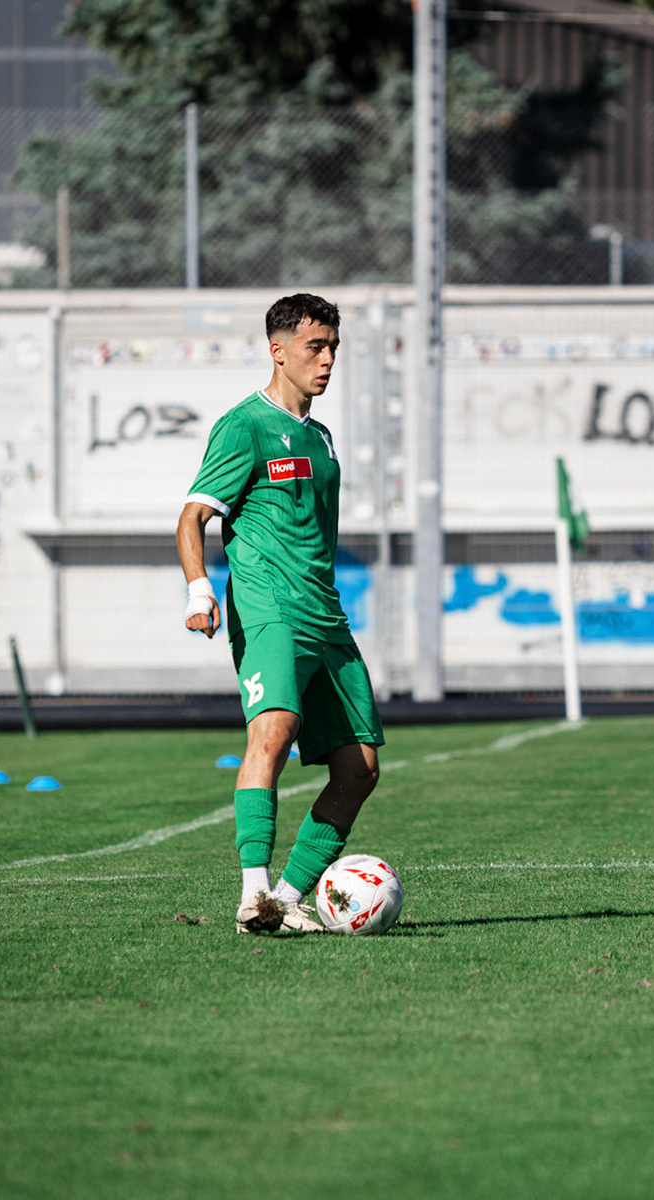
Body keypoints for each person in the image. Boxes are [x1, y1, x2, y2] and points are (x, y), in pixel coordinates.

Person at [175, 293, 383, 935]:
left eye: (333, 348)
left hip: (326, 616)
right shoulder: (245, 426)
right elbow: (193, 517)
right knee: (274, 729)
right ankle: (252, 895)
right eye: (315, 348)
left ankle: (287, 898)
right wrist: (199, 589)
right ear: (278, 350)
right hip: (270, 609)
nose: (327, 360)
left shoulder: (319, 436)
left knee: (360, 768)